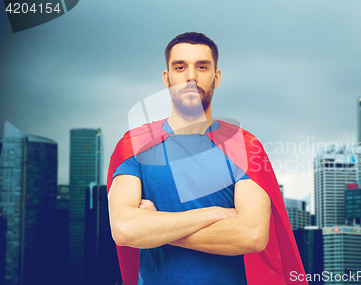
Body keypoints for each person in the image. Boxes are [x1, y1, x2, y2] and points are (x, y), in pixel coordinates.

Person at [107, 32, 307, 285]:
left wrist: (156, 228)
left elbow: (252, 235)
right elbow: (124, 229)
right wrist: (215, 213)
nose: (191, 76)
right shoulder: (134, 145)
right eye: (181, 67)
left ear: (217, 77)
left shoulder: (245, 147)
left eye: (202, 66)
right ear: (167, 78)